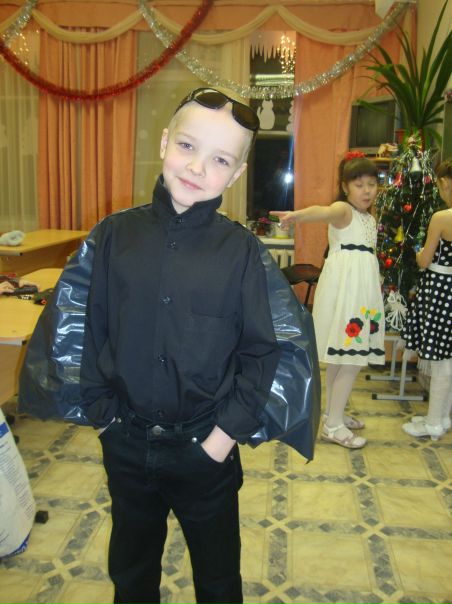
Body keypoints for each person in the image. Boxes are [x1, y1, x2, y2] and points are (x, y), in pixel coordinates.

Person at [78, 88, 281, 604]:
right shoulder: (114, 236)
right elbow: (94, 329)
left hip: (205, 448)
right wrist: (104, 420)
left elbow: (260, 353)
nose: (197, 167)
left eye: (220, 160)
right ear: (165, 142)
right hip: (126, 439)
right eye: (188, 146)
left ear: (236, 174)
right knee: (131, 574)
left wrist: (221, 440)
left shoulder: (241, 252)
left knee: (218, 580)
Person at [272, 154, 385, 449]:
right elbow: (322, 211)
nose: (367, 191)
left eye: (372, 184)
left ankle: (334, 413)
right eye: (359, 185)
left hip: (361, 294)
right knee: (351, 360)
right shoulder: (343, 210)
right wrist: (295, 216)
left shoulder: (368, 218)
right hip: (348, 295)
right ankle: (333, 426)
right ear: (345, 187)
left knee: (341, 359)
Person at [401, 158, 452, 440]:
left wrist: (419, 251)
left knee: (442, 361)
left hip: (441, 291)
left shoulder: (442, 218)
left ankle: (433, 423)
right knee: (450, 359)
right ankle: (442, 417)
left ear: (444, 183)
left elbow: (424, 261)